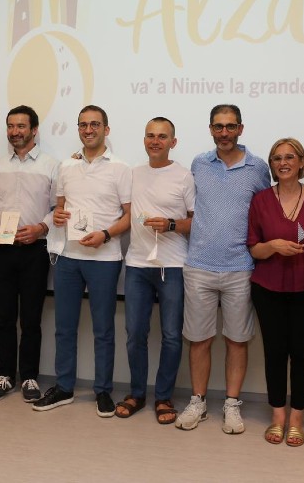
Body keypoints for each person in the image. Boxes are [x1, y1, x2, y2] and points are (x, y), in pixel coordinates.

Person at [176, 104, 270, 434]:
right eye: (218, 126)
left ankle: (231, 404)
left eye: (230, 126)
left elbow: (267, 212)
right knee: (198, 339)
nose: (224, 132)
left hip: (240, 267)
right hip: (199, 265)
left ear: (240, 129)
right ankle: (198, 402)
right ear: (211, 129)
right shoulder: (199, 164)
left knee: (237, 340)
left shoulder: (258, 168)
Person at [33, 105, 131, 417]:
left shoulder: (120, 168)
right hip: (67, 257)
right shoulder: (66, 166)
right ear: (78, 129)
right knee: (64, 328)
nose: (88, 130)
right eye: (83, 125)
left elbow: (129, 216)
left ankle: (103, 391)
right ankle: (64, 388)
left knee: (103, 330)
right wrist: (58, 216)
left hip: (105, 258)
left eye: (95, 124)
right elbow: (60, 209)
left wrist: (106, 234)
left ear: (106, 129)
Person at [114, 117, 195, 424]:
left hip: (173, 266)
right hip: (137, 265)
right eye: (150, 135)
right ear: (144, 140)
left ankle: (164, 397)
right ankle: (137, 393)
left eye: (162, 136)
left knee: (172, 336)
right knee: (135, 334)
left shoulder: (184, 176)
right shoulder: (133, 174)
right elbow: (126, 209)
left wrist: (171, 225)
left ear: (173, 142)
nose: (155, 141)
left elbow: (196, 221)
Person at [247, 138, 304, 447]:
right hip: (268, 287)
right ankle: (278, 416)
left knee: (302, 354)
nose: (283, 162)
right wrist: (273, 246)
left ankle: (297, 418)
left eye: (290, 157)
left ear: (302, 162)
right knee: (275, 352)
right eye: (277, 158)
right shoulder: (261, 200)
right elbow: (254, 248)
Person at [0, 106, 58, 403]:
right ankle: (4, 375)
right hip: (1, 250)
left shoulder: (51, 165)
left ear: (34, 130)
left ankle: (29, 376)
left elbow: (58, 208)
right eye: (11, 126)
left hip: (35, 250)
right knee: (3, 317)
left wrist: (41, 227)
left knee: (31, 319)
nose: (15, 132)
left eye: (21, 126)